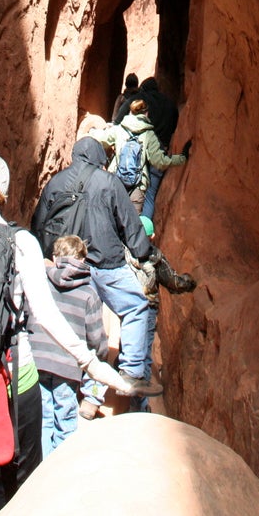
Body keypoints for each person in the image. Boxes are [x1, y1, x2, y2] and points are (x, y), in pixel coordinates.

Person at [0, 157, 132, 515]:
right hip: (13, 376)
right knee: (17, 482)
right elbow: (46, 314)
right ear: (4, 191)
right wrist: (90, 363)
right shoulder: (21, 242)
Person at [31, 136, 164, 397]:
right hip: (105, 263)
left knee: (83, 325)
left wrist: (46, 258)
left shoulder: (56, 182)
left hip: (68, 263)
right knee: (136, 307)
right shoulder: (108, 182)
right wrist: (142, 252)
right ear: (98, 158)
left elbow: (39, 222)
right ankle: (132, 374)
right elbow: (128, 221)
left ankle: (88, 395)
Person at [29, 234, 108, 442]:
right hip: (69, 364)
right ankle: (61, 461)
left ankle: (44, 462)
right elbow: (96, 337)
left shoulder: (39, 282)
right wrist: (99, 359)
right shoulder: (88, 293)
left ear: (55, 257)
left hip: (38, 359)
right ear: (82, 259)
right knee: (65, 421)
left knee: (43, 419)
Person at [125, 215, 196, 413]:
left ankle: (123, 372)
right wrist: (189, 282)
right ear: (152, 236)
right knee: (143, 356)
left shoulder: (122, 252)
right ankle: (139, 406)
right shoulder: (154, 256)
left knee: (129, 344)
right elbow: (173, 282)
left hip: (126, 307)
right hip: (146, 309)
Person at [96, 99, 187, 216]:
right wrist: (181, 158)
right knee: (132, 223)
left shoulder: (119, 129)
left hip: (116, 182)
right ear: (146, 113)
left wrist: (91, 131)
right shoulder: (149, 135)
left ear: (130, 112)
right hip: (137, 187)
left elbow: (101, 140)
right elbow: (159, 161)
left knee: (111, 218)